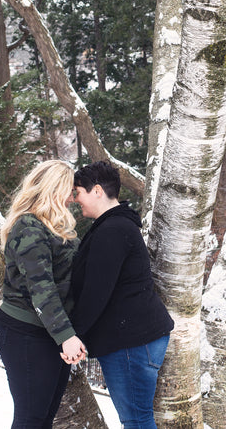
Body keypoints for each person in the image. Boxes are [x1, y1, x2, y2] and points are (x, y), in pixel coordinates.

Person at [70, 161, 174, 429]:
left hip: (131, 342)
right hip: (132, 339)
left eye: (77, 191)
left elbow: (97, 291)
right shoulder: (114, 225)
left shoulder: (113, 230)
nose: (73, 199)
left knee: (136, 420)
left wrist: (73, 335)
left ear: (96, 191)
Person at [0, 160, 88, 429]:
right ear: (55, 190)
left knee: (43, 419)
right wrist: (66, 336)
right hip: (24, 334)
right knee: (31, 420)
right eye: (71, 190)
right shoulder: (29, 228)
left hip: (46, 334)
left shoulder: (53, 228)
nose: (73, 198)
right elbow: (41, 289)